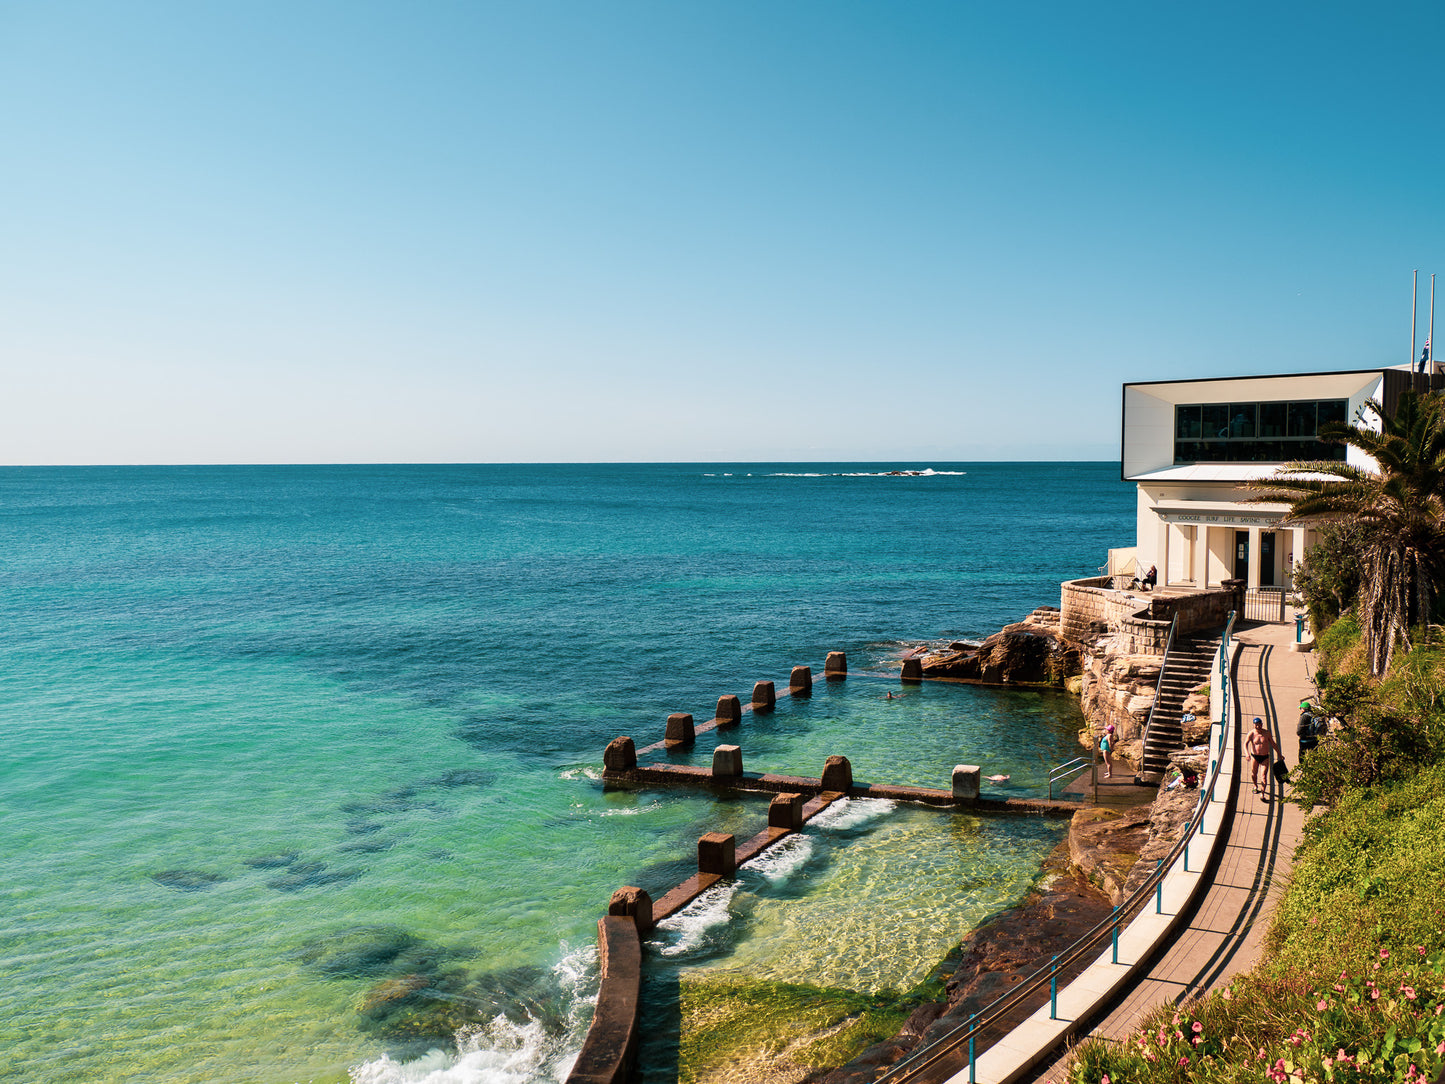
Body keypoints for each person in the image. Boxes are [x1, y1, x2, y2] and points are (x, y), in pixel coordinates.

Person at [1246, 717, 1277, 797]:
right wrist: (1247, 753)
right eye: (1255, 725)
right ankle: (1255, 786)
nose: (1257, 727)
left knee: (1264, 776)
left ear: (1261, 724)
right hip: (1255, 757)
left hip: (1265, 757)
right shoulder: (1251, 733)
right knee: (1254, 774)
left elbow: (1273, 744)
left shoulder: (1267, 733)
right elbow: (1245, 744)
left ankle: (1262, 794)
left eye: (1259, 725)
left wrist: (1279, 754)